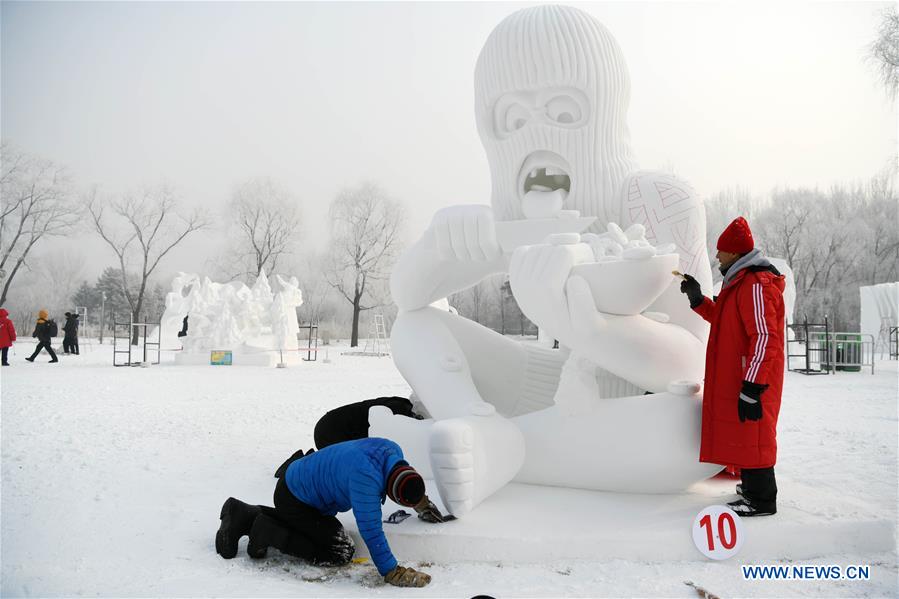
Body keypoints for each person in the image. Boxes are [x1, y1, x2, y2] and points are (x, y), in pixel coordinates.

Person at [216, 437, 444, 588]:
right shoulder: (365, 479)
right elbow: (371, 531)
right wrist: (392, 571)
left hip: (300, 479)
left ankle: (244, 513)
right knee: (339, 551)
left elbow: (405, 481)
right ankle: (266, 530)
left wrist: (420, 501)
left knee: (322, 530)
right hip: (295, 498)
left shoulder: (391, 450)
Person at [679, 216, 785, 517]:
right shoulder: (740, 281)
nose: (717, 256)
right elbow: (728, 323)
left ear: (736, 254)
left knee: (756, 434)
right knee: (746, 434)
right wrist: (699, 300)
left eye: (721, 251)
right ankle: (752, 489)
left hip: (753, 377)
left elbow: (765, 337)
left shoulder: (755, 284)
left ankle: (762, 500)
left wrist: (753, 385)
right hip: (744, 374)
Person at [274, 396, 425, 479]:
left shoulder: (400, 403)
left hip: (330, 425)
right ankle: (297, 464)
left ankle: (307, 459)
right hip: (330, 430)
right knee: (333, 465)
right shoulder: (396, 412)